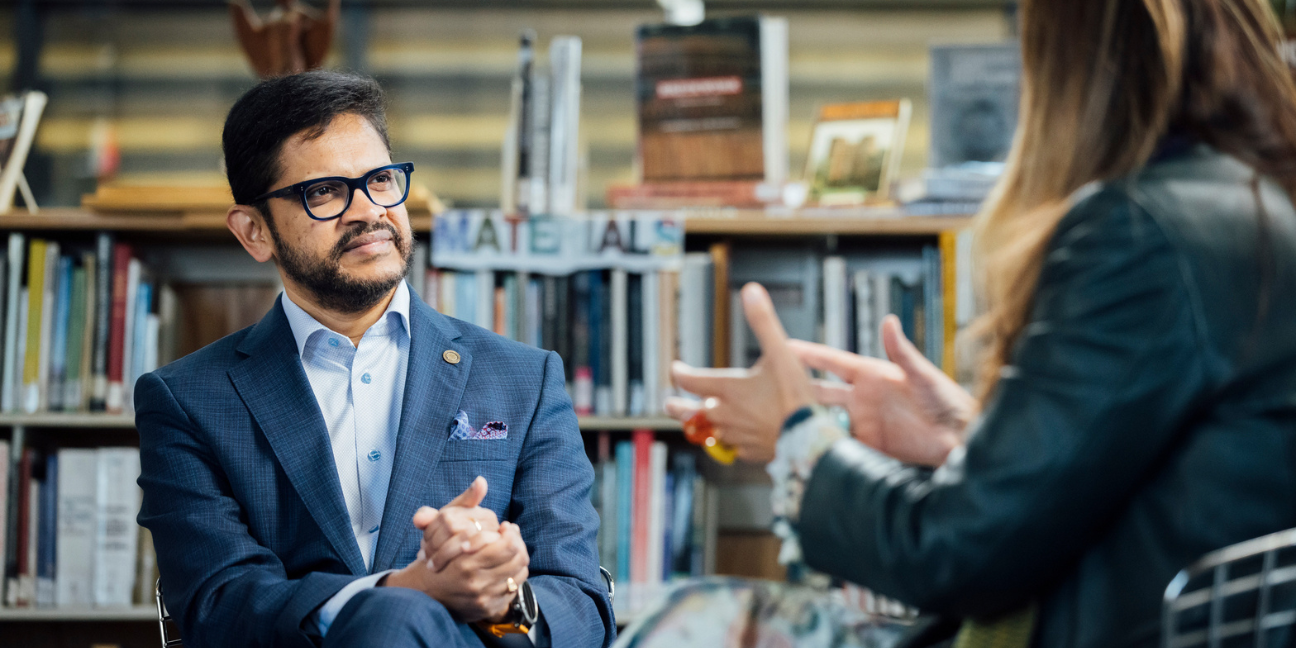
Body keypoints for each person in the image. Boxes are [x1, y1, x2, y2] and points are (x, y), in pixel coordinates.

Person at [666, 1, 1296, 646]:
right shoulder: (1252, 207)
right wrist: (965, 438)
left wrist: (801, 438)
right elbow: (1133, 467)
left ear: (1065, 64)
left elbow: (953, 557)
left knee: (688, 627)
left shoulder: (1139, 232)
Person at [135, 71, 615, 648]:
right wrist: (402, 588)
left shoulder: (524, 379)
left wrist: (503, 589)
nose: (368, 211)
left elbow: (582, 602)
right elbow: (219, 602)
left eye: (381, 179)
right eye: (326, 192)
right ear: (255, 232)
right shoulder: (187, 400)